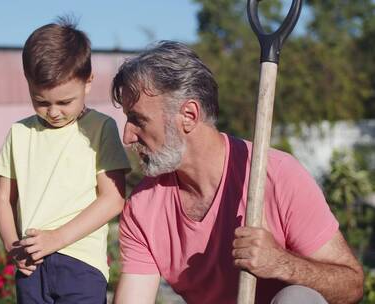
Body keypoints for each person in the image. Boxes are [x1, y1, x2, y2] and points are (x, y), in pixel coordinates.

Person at [111, 41, 364, 304]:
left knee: (298, 299)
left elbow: (352, 285)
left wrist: (281, 263)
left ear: (188, 115)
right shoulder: (143, 207)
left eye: (138, 120)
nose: (128, 136)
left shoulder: (277, 175)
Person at [0, 17, 130, 304]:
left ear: (88, 81)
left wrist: (58, 238)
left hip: (81, 264)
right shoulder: (19, 133)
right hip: (31, 265)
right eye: (41, 101)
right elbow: (4, 198)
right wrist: (11, 245)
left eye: (64, 102)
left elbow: (113, 199)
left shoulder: (101, 128)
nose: (53, 112)